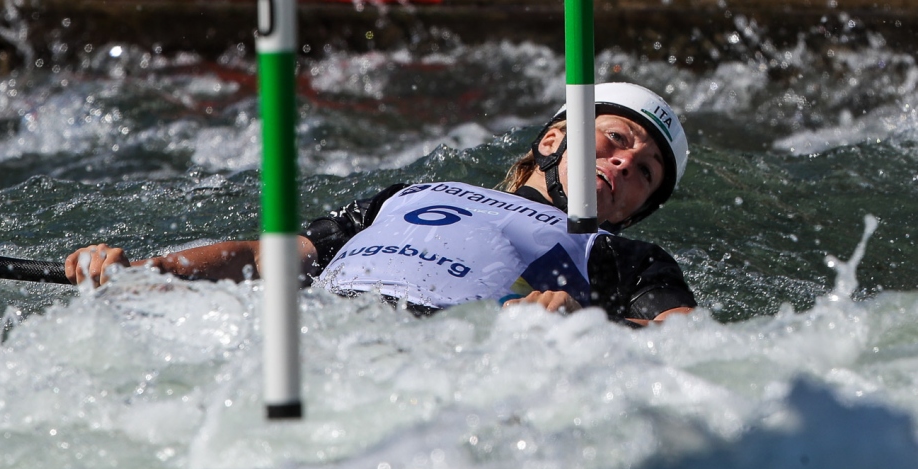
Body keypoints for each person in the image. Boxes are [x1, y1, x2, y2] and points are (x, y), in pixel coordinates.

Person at [66, 82, 696, 325]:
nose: (622, 162)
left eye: (644, 171)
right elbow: (270, 256)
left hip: (453, 352)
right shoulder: (407, 195)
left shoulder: (620, 255)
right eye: (614, 139)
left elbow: (682, 338)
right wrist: (155, 273)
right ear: (554, 139)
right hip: (317, 326)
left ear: (634, 210)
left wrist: (590, 324)